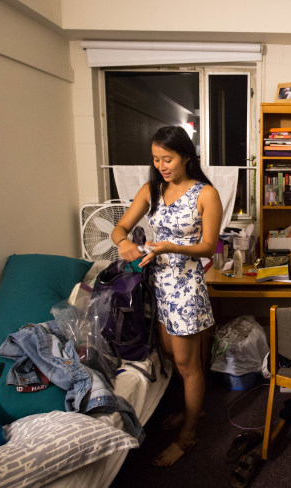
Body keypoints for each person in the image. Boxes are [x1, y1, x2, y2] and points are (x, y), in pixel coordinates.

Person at [112, 125, 222, 467]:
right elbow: (119, 228)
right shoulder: (152, 189)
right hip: (160, 287)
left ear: (186, 156)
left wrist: (170, 247)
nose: (161, 165)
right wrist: (125, 243)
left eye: (168, 158)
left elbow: (209, 248)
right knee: (173, 359)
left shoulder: (206, 194)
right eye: (156, 159)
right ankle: (195, 409)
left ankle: (188, 435)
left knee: (189, 367)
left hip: (187, 289)